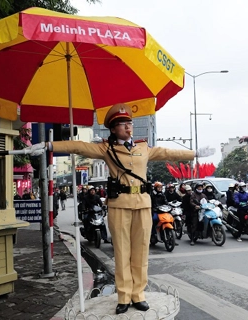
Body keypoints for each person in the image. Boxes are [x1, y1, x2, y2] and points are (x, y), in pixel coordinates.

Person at [24, 103, 212, 314]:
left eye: (129, 123)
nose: (128, 127)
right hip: (119, 204)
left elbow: (167, 152)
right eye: (122, 124)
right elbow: (78, 146)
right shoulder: (106, 149)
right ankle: (123, 296)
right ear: (113, 129)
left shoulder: (144, 148)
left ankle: (138, 295)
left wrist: (194, 153)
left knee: (141, 252)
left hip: (142, 203)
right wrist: (50, 146)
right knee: (122, 252)